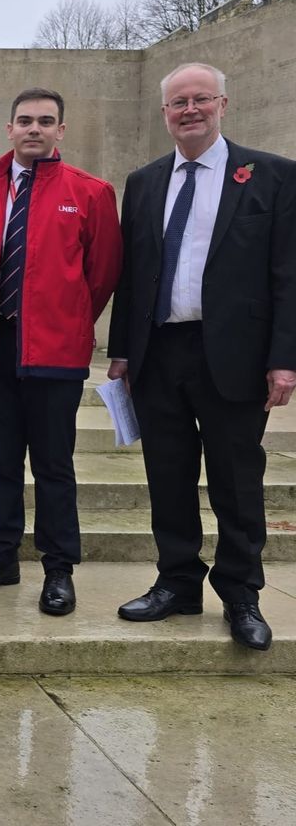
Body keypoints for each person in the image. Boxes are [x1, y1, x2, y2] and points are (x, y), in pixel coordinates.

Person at [107, 63, 296, 651]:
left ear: (223, 104)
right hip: (159, 351)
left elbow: (289, 275)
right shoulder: (143, 182)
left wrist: (285, 358)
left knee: (237, 480)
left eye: (200, 100)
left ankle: (241, 594)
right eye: (178, 103)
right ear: (164, 113)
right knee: (167, 474)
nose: (189, 110)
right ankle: (177, 582)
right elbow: (132, 276)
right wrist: (119, 355)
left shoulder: (271, 176)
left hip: (234, 353)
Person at [0, 88, 122, 615]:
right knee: (2, 460)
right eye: (24, 120)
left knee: (53, 464)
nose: (34, 129)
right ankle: (0, 557)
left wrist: (67, 320)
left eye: (45, 121)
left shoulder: (90, 193)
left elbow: (103, 275)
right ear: (9, 129)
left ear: (60, 131)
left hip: (54, 352)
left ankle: (58, 569)